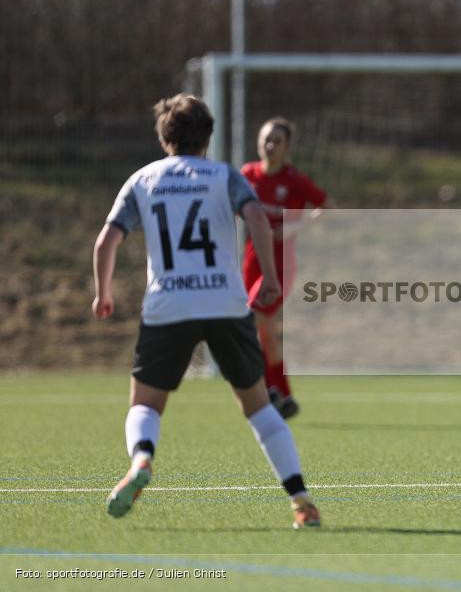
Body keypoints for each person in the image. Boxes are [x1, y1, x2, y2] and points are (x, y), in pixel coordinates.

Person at [92, 94, 321, 528]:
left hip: (168, 303)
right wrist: (269, 277)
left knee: (145, 404)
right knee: (258, 407)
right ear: (208, 137)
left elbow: (106, 241)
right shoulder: (224, 176)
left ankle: (142, 460)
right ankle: (300, 498)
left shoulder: (142, 179)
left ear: (164, 138)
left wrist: (103, 293)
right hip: (225, 302)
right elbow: (255, 216)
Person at [241, 117, 331, 419]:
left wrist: (291, 229)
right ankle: (283, 395)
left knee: (255, 321)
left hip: (281, 266)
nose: (270, 146)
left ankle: (268, 390)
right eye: (266, 139)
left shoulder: (294, 180)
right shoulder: (247, 175)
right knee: (265, 332)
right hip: (252, 263)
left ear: (286, 147)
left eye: (277, 141)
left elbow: (326, 208)